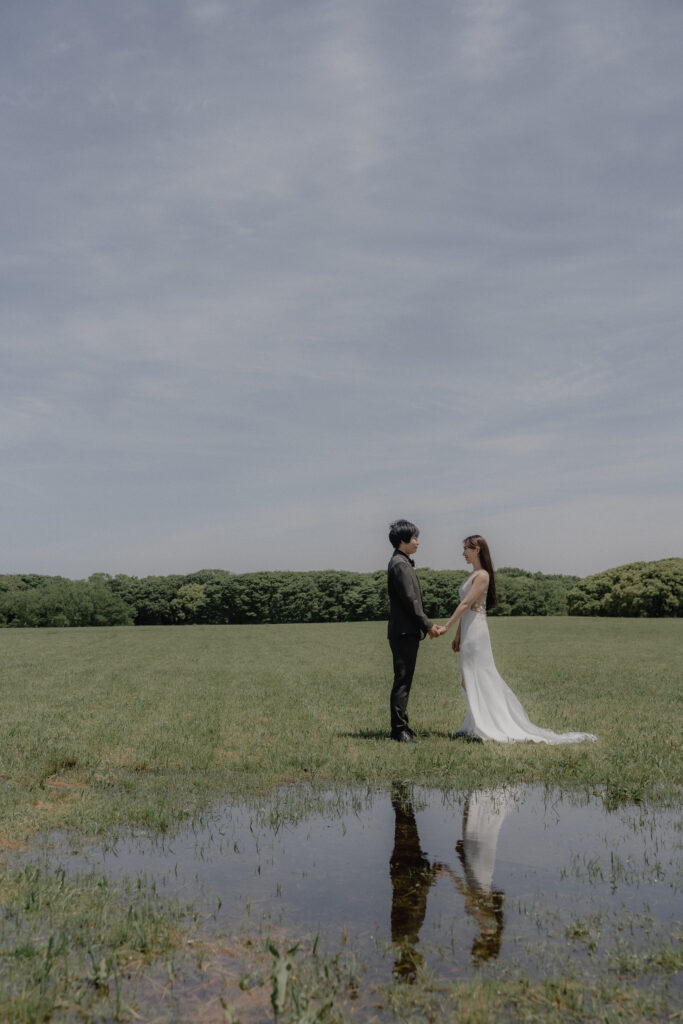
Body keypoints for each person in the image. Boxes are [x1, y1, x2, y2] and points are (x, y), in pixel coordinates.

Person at [440, 535, 597, 744]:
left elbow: (466, 604)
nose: (463, 553)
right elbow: (466, 608)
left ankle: (486, 723)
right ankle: (473, 723)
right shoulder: (473, 574)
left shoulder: (483, 575)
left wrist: (445, 627)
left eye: (466, 549)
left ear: (476, 549)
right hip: (467, 630)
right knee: (466, 678)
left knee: (477, 676)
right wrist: (457, 635)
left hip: (477, 632)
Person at [387, 520, 444, 742]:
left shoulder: (402, 562)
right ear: (403, 541)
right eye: (414, 538)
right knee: (402, 681)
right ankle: (399, 730)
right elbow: (411, 601)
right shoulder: (400, 564)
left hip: (406, 631)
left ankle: (404, 727)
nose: (418, 542)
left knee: (405, 680)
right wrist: (428, 626)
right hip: (403, 631)